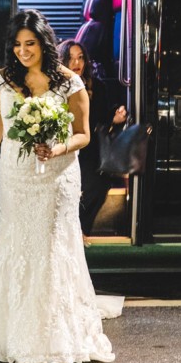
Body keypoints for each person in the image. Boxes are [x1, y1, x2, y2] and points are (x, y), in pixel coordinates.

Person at [0, 9, 116, 363]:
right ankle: (20, 336)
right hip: (16, 178)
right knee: (19, 252)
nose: (23, 51)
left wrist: (57, 149)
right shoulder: (1, 80)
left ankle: (44, 342)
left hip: (56, 180)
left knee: (49, 253)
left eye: (30, 44)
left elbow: (83, 134)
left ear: (44, 43)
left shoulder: (69, 81)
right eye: (17, 44)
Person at [57, 39, 127, 240]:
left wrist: (116, 116)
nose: (76, 63)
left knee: (99, 183)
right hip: (64, 147)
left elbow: (102, 118)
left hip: (90, 148)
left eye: (80, 58)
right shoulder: (56, 87)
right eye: (70, 59)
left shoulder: (98, 86)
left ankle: (80, 230)